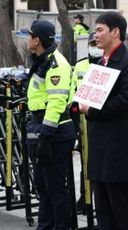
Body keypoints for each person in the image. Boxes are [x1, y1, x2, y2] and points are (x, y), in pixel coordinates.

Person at [24, 20, 76, 229]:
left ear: (37, 40)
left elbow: (56, 102)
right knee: (42, 185)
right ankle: (45, 225)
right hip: (41, 125)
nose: (27, 39)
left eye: (29, 36)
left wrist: (45, 136)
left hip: (55, 129)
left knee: (55, 187)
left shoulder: (56, 64)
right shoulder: (41, 61)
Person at [79, 12, 128, 229]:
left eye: (100, 30)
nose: (95, 35)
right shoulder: (100, 62)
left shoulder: (125, 61)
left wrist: (93, 109)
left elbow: (124, 99)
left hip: (119, 149)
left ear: (115, 32)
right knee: (104, 212)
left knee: (121, 211)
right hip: (99, 146)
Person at [71, 32, 103, 213]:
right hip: (83, 121)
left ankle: (101, 200)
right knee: (86, 163)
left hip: (101, 118)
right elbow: (74, 93)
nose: (94, 47)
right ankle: (85, 198)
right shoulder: (80, 65)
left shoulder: (108, 63)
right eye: (92, 43)